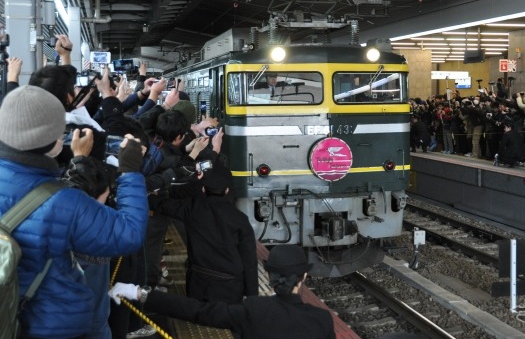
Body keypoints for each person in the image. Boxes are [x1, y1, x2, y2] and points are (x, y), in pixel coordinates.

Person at [0, 85, 148, 338]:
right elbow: (129, 233)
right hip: (52, 323)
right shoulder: (63, 201)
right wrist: (131, 171)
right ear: (53, 139)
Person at [109, 245, 336, 339]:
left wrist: (140, 293)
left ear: (269, 277)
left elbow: (197, 311)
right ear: (304, 276)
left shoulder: (253, 310)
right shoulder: (323, 320)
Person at [148, 160, 258, 304]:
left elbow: (162, 205)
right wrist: (252, 296)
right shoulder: (240, 220)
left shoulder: (192, 209)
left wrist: (149, 193)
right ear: (226, 191)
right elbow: (249, 260)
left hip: (198, 286)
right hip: (230, 288)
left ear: (204, 189)